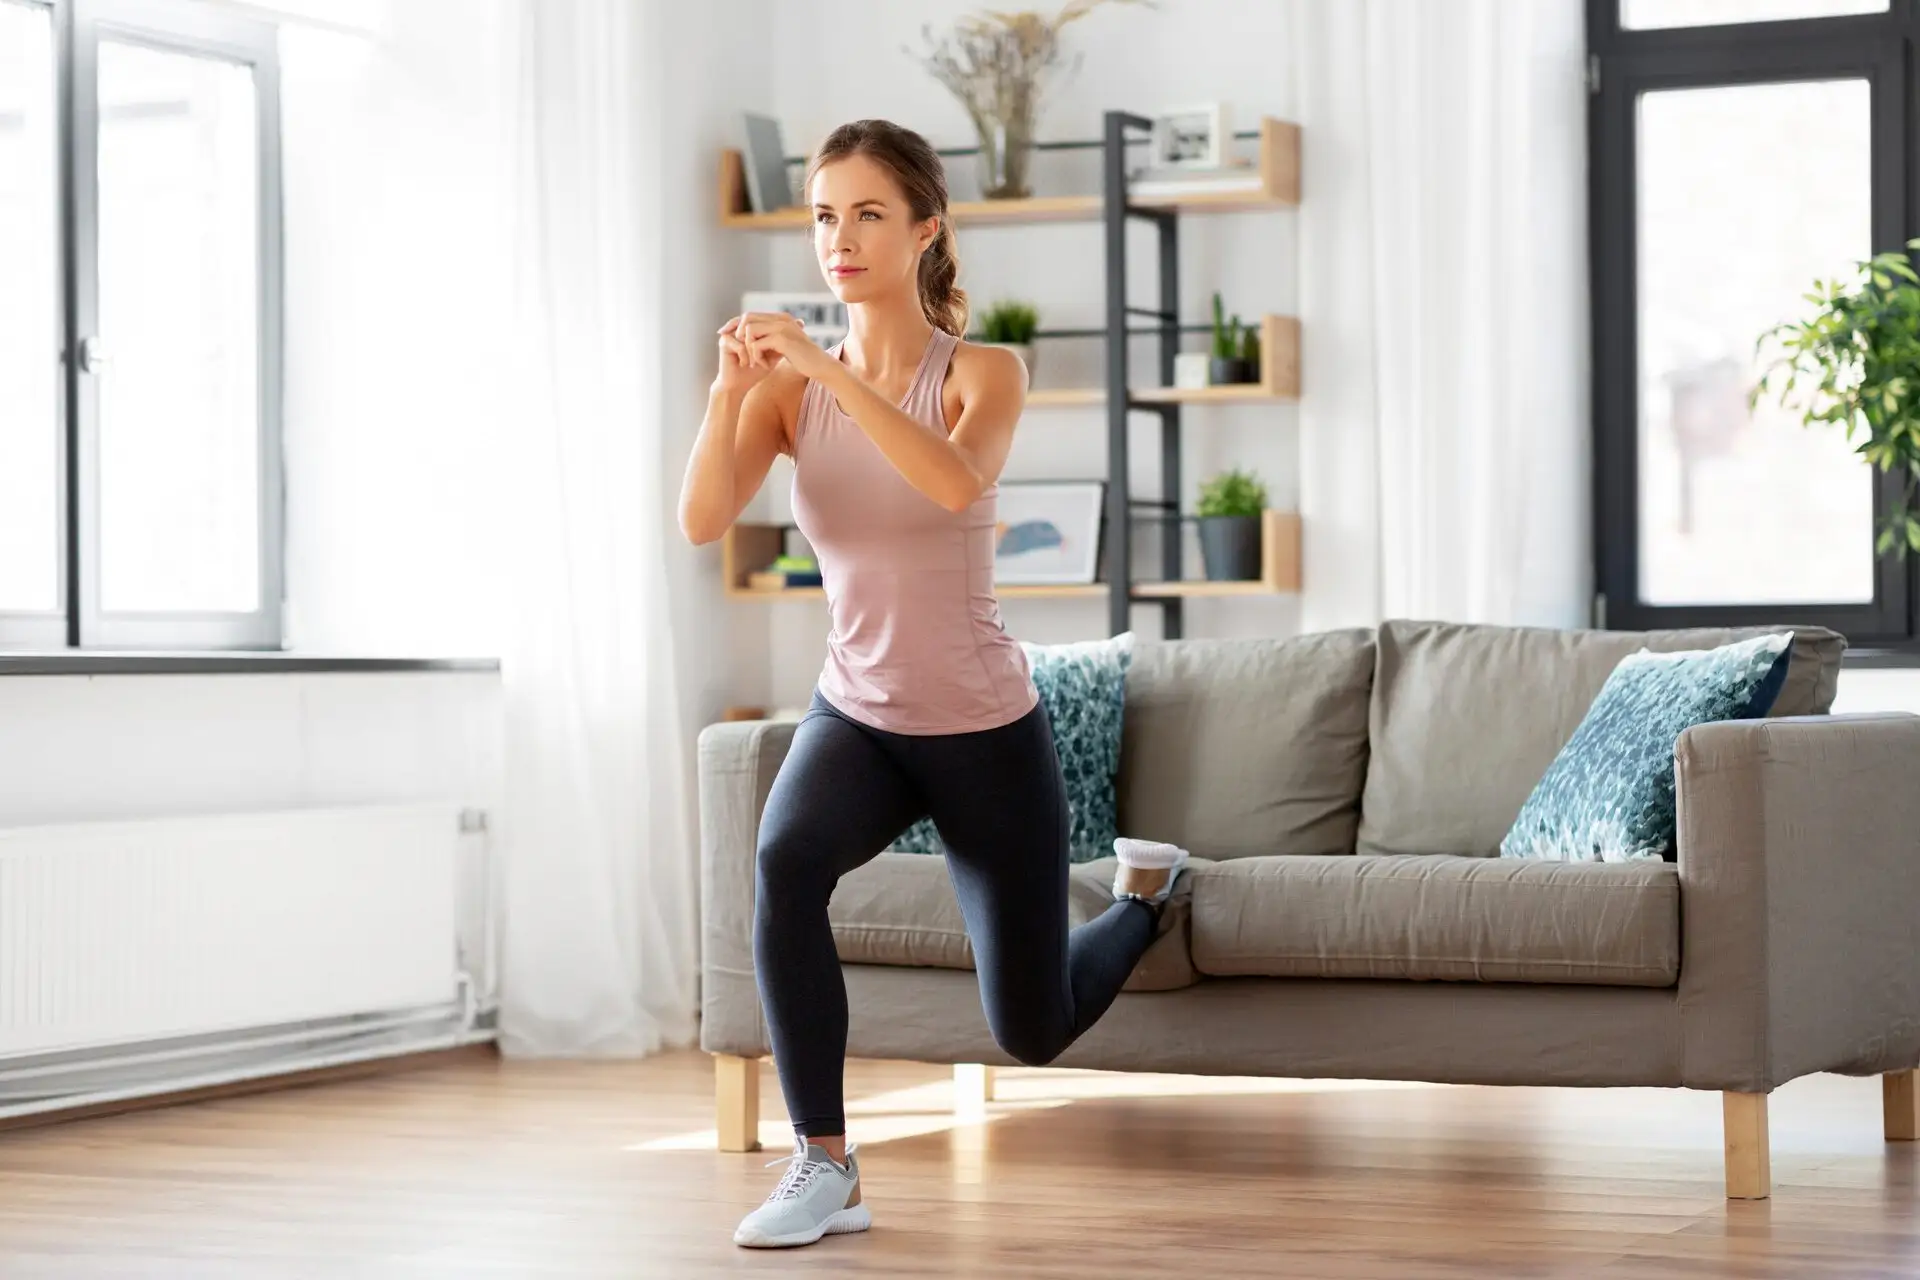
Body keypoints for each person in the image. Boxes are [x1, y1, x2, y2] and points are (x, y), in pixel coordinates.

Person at [677, 118, 1191, 1251]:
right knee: (783, 858)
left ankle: (1146, 898)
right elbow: (704, 517)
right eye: (822, 214)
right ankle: (825, 1161)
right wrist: (728, 391)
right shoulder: (783, 393)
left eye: (867, 213)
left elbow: (951, 485)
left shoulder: (985, 371)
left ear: (925, 230)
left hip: (982, 729)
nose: (840, 238)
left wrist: (815, 359)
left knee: (1033, 1027)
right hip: (856, 710)